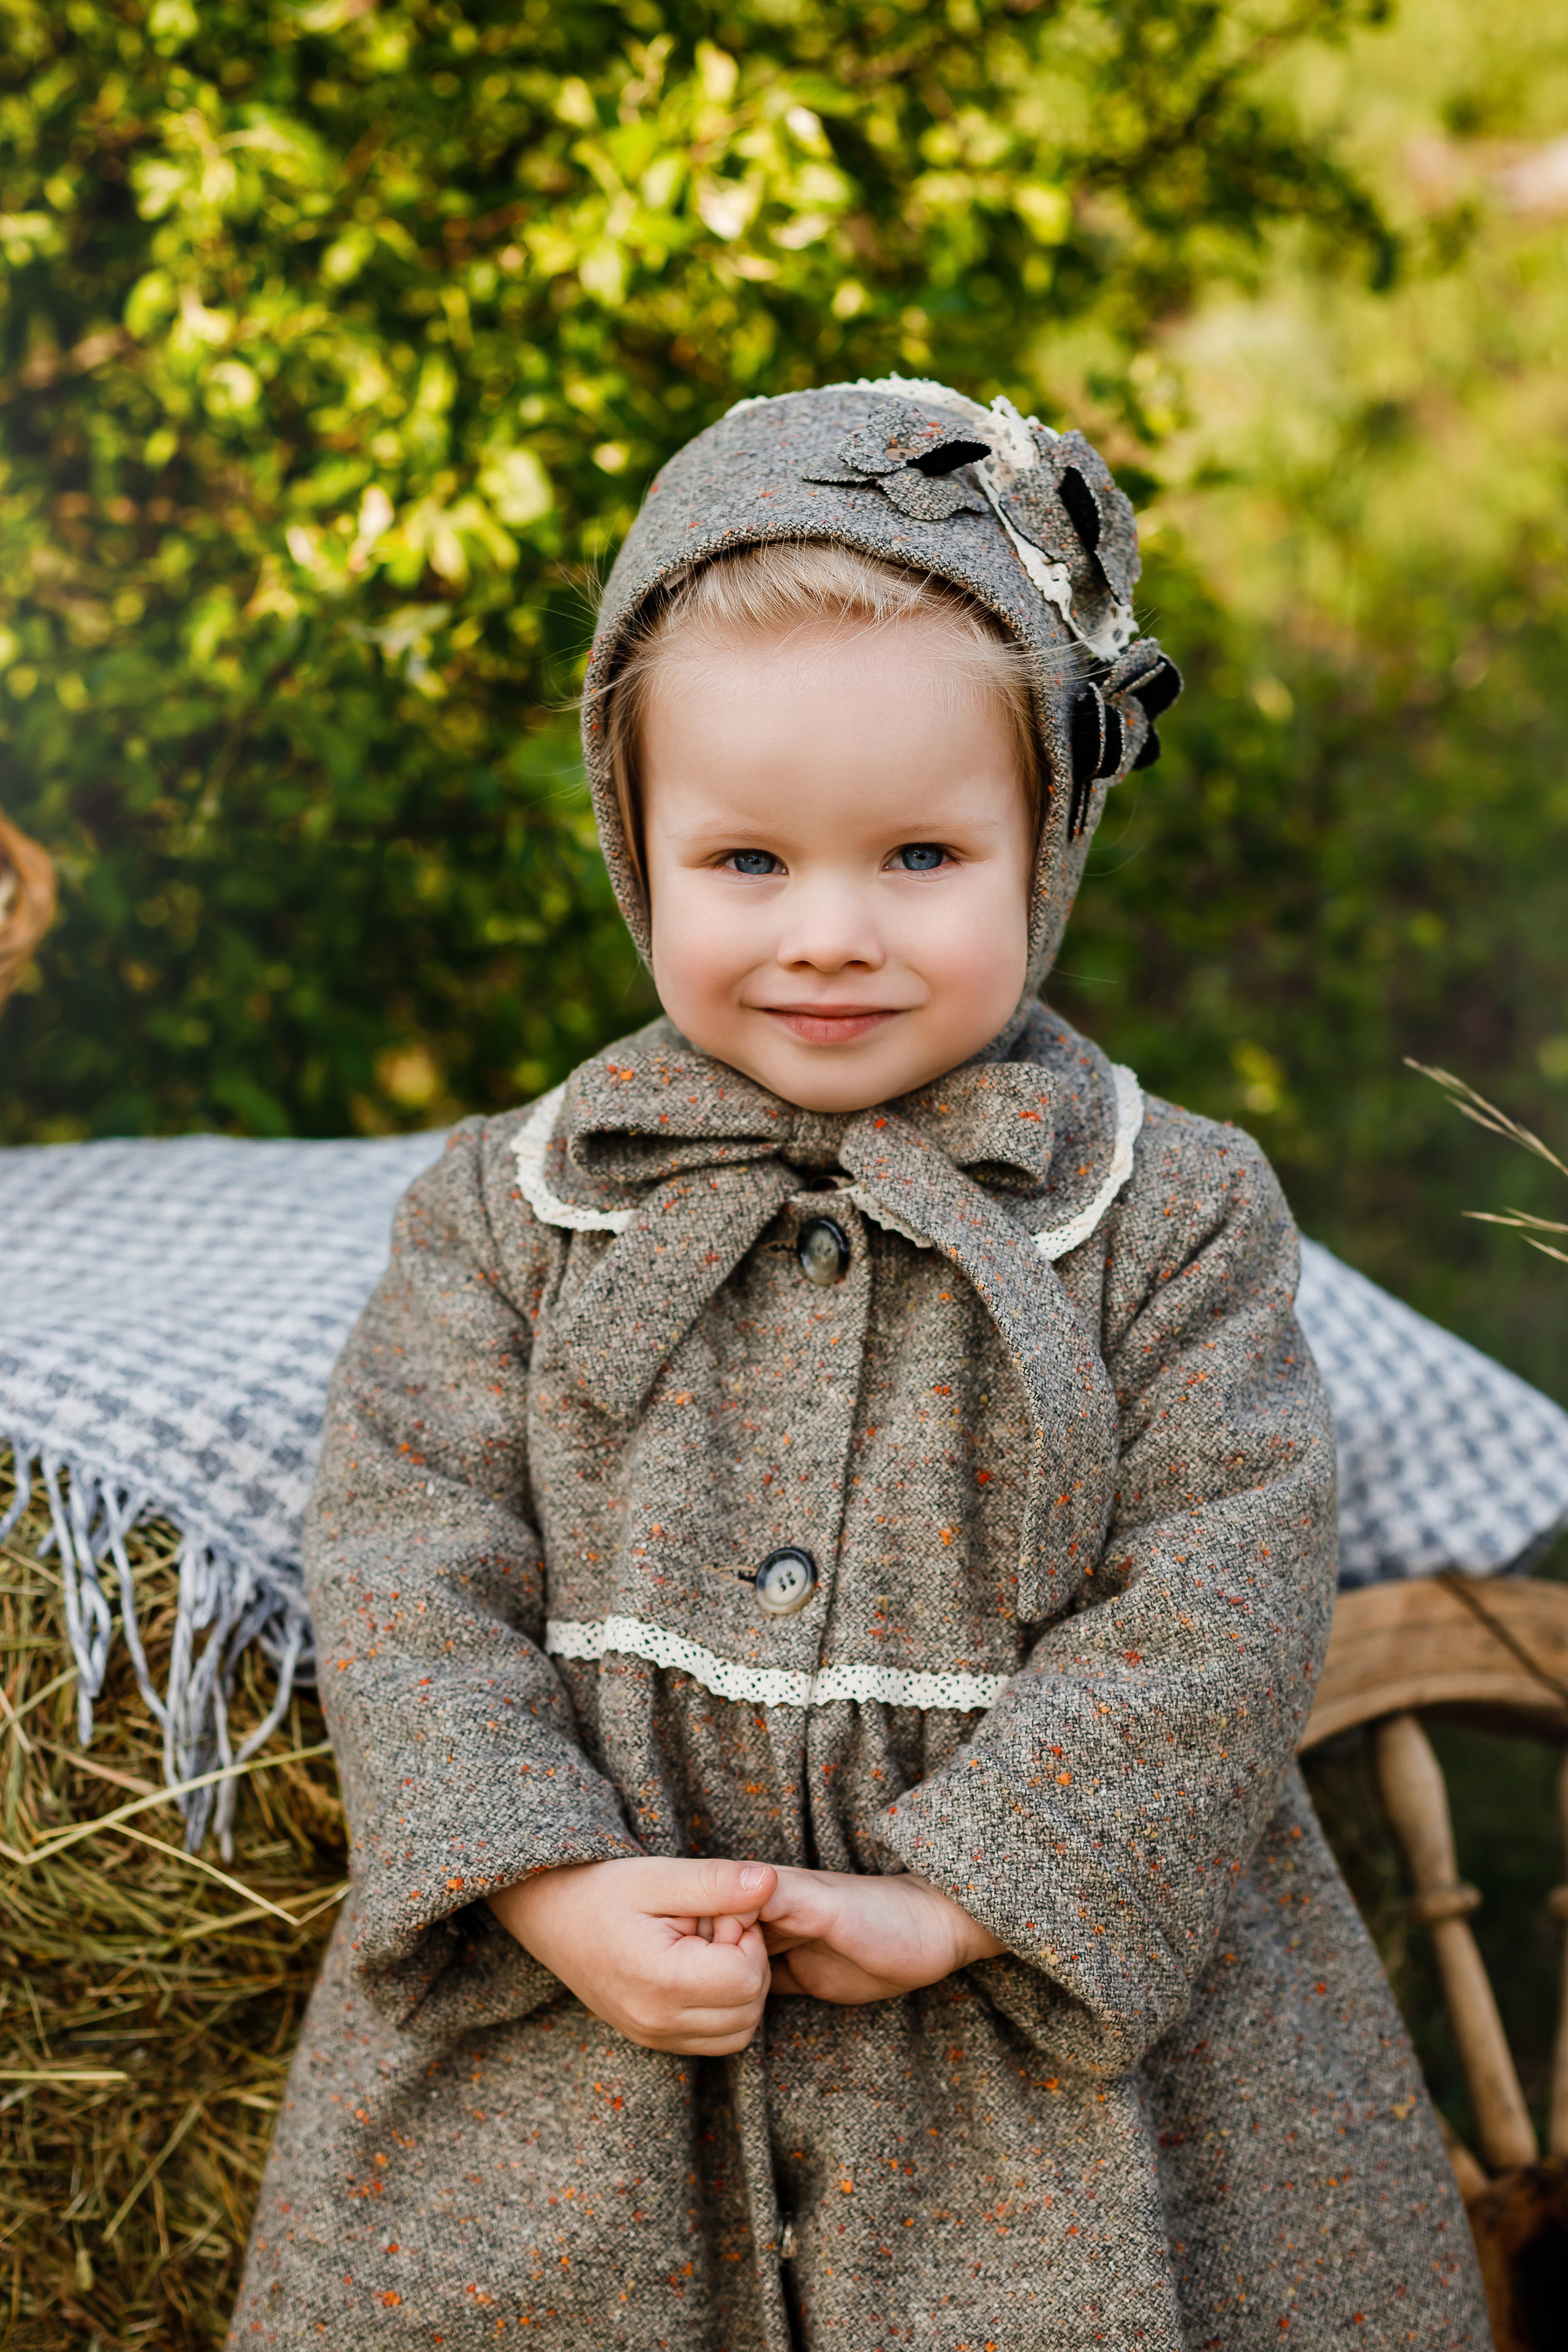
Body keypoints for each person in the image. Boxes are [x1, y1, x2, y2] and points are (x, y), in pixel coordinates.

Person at [232, 380, 1487, 2349]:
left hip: (1048, 2026)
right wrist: (546, 1881)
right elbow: (405, 1560)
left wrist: (974, 1890)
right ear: (636, 839)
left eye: (918, 857)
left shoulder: (1172, 1216)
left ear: (1043, 841)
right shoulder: (512, 1206)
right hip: (596, 2013)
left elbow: (1226, 1583)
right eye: (748, 863)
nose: (831, 935)